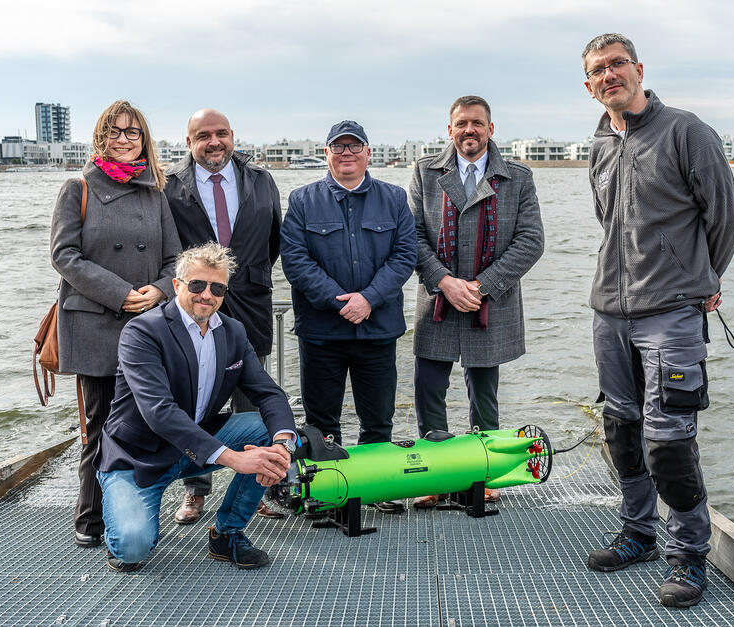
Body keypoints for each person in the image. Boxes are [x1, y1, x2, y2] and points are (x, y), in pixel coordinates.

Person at [580, 33, 734, 608]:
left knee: (669, 440)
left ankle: (688, 556)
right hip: (610, 312)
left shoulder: (685, 131)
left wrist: (702, 279)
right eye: (598, 70)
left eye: (617, 64)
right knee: (622, 430)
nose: (609, 75)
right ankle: (638, 534)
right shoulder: (600, 144)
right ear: (589, 86)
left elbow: (724, 215)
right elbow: (607, 220)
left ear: (639, 69)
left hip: (671, 312)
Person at [95, 242, 296, 571]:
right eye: (198, 285)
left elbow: (268, 393)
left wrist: (282, 445)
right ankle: (124, 512)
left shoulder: (233, 331)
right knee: (132, 548)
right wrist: (234, 459)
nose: (207, 295)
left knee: (267, 433)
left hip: (192, 445)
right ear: (177, 285)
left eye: (217, 288)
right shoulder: (142, 331)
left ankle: (227, 533)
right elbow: (159, 411)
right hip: (138, 455)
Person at [50, 100, 181, 549]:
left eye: (132, 132)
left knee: (142, 423)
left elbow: (174, 259)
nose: (124, 139)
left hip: (147, 325)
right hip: (96, 326)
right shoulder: (78, 187)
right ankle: (90, 518)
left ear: (144, 139)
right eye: (115, 131)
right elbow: (64, 256)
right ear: (100, 136)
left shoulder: (155, 192)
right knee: (100, 424)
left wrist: (159, 290)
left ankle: (134, 515)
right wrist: (121, 293)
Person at [410, 96, 544, 508]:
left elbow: (531, 241)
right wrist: (445, 282)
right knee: (428, 391)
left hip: (491, 303)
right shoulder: (425, 172)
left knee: (484, 395)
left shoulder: (517, 177)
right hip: (438, 300)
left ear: (491, 129)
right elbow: (412, 236)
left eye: (478, 123)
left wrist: (481, 286)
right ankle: (435, 475)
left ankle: (483, 475)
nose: (470, 130)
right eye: (462, 123)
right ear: (449, 129)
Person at [280, 120, 416, 514]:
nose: (347, 154)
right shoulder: (302, 200)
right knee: (321, 419)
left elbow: (405, 255)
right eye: (338, 147)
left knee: (379, 417)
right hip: (322, 332)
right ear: (327, 154)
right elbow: (295, 260)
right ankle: (326, 492)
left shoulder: (394, 198)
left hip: (377, 330)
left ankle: (376, 487)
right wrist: (340, 302)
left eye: (354, 146)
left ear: (368, 153)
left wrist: (369, 299)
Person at [164, 109, 285, 523]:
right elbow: (168, 246)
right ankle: (195, 490)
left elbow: (273, 240)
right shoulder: (169, 185)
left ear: (232, 135)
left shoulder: (261, 180)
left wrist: (246, 279)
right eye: (203, 136)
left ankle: (254, 488)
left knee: (253, 401)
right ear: (189, 142)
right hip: (194, 305)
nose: (213, 142)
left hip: (250, 302)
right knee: (192, 401)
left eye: (221, 134)